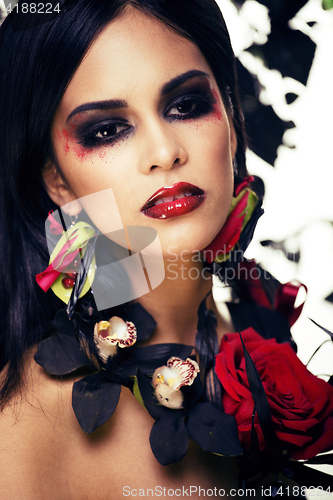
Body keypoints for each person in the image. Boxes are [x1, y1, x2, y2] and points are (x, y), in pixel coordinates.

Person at [1, 1, 332, 499]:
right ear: (56, 181)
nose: (164, 152)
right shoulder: (23, 425)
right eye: (106, 130)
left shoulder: (261, 328)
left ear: (232, 117)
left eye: (187, 105)